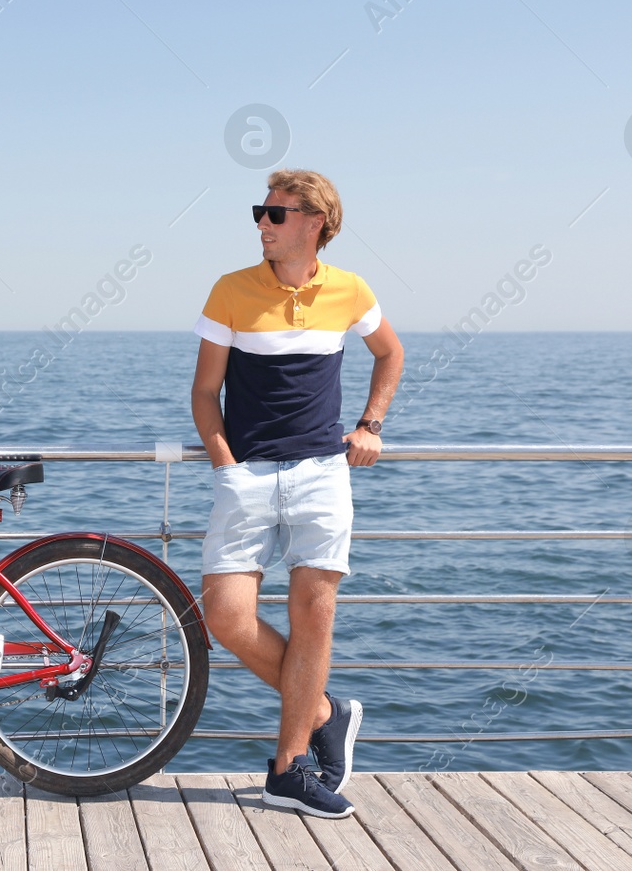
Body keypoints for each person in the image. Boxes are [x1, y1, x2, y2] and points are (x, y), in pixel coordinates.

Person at [190, 168, 404, 819]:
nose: (262, 223)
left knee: (314, 611)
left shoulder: (349, 289)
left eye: (274, 213)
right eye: (261, 213)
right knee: (224, 614)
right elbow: (204, 393)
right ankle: (322, 711)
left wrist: (371, 424)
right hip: (247, 473)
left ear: (315, 222)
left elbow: (390, 354)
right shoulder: (231, 290)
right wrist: (227, 465)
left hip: (321, 473)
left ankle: (290, 768)